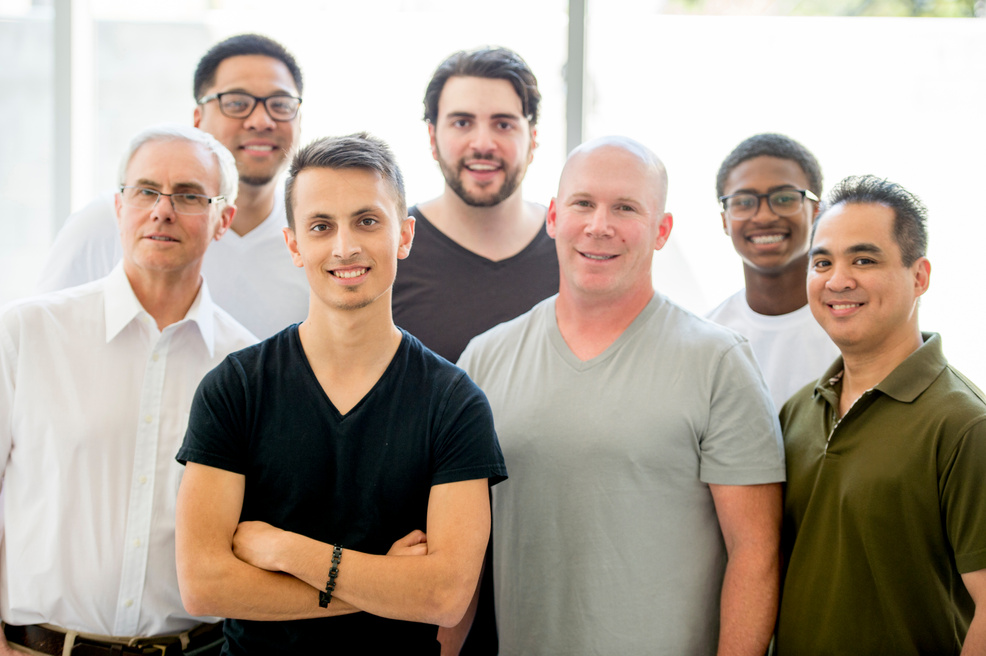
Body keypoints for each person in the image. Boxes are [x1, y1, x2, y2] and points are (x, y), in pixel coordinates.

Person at [174, 133, 507, 655]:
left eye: (367, 221)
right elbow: (203, 584)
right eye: (321, 226)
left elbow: (444, 595)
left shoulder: (454, 403)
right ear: (294, 245)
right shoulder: (235, 388)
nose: (344, 247)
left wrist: (288, 550)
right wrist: (384, 586)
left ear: (405, 235)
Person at [457, 136, 785, 655]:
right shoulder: (483, 360)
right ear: (553, 217)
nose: (599, 225)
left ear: (661, 231)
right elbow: (459, 554)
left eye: (625, 208)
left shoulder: (718, 363)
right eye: (583, 203)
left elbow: (757, 553)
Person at [0, 124, 256, 656]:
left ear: (223, 220)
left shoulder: (246, 367)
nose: (162, 210)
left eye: (188, 195)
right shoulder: (24, 333)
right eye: (145, 191)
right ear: (119, 206)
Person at [776, 175, 986, 655]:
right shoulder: (798, 410)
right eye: (822, 261)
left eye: (864, 260)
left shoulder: (965, 425)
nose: (837, 279)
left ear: (920, 277)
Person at [36, 33, 308, 340]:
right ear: (198, 119)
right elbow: (45, 336)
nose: (261, 120)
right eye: (236, 103)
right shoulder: (111, 223)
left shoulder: (314, 241)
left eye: (281, 105)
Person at [393, 46, 559, 363]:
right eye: (462, 123)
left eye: (503, 124)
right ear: (432, 138)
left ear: (533, 139)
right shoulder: (391, 250)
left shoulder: (573, 247)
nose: (483, 144)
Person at [707, 133, 838, 409]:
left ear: (817, 211)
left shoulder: (851, 329)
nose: (764, 216)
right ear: (725, 220)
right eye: (743, 201)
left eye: (784, 198)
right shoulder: (707, 338)